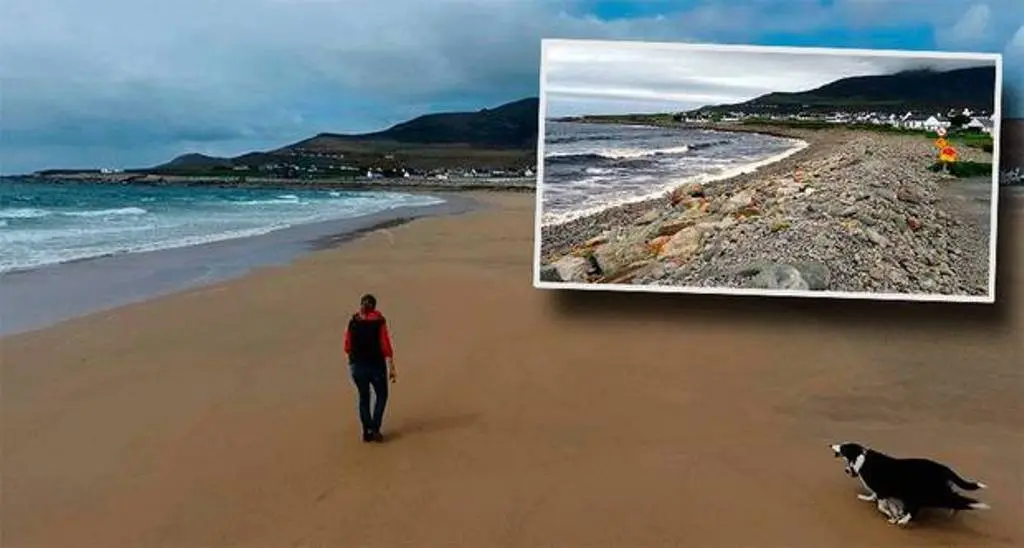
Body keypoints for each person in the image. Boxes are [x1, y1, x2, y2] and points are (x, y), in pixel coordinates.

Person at [343, 294, 397, 442]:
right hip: (375, 365)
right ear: (374, 307)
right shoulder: (379, 321)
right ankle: (375, 428)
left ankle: (367, 430)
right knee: (381, 395)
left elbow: (347, 346)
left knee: (364, 397)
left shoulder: (353, 322)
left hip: (357, 366)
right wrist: (391, 364)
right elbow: (385, 344)